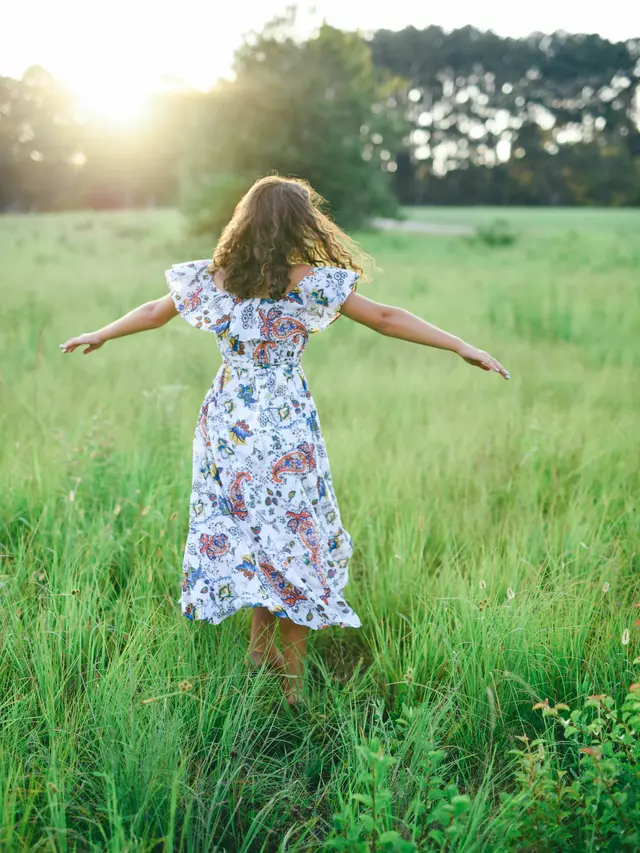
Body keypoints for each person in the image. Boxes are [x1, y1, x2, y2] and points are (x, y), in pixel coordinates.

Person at [61, 175, 509, 707]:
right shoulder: (309, 280)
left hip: (227, 424)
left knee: (254, 533)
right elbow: (387, 318)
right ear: (302, 224)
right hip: (282, 423)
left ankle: (258, 649)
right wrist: (461, 346)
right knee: (296, 540)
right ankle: (292, 690)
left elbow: (153, 313)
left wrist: (101, 332)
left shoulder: (215, 278)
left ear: (243, 222)